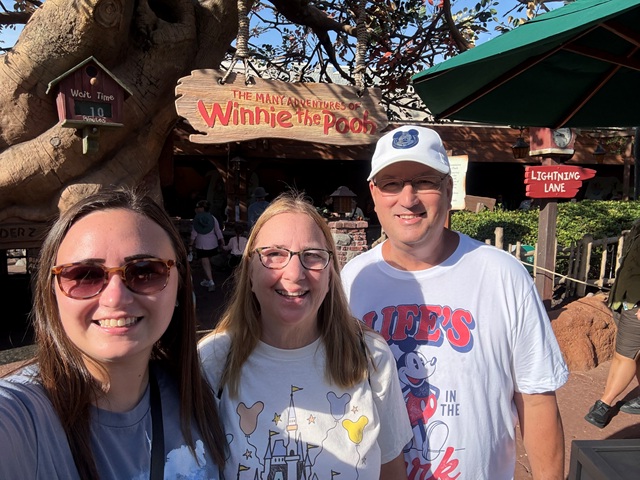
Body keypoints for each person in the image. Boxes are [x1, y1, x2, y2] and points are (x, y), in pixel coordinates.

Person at [341, 126, 569, 480]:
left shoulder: (502, 274)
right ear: (374, 193)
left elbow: (536, 399)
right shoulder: (351, 281)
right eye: (391, 184)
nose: (408, 198)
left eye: (424, 182)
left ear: (449, 189)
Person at [0, 188, 226, 479]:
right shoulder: (22, 417)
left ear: (180, 285)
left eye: (145, 271)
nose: (115, 297)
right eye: (84, 275)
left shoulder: (199, 398)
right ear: (52, 292)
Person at [198, 192, 412, 480]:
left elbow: (392, 470)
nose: (294, 273)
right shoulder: (213, 360)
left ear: (330, 275)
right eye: (274, 254)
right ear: (249, 272)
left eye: (312, 255)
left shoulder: (370, 356)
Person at [585, 220, 640, 428]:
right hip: (625, 297)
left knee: (626, 356)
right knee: (633, 353)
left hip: (636, 303)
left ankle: (605, 404)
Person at [189, 199, 224, 292]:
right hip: (213, 243)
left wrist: (190, 244)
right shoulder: (213, 218)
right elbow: (218, 230)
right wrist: (222, 241)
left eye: (198, 207)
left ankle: (211, 281)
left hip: (201, 244)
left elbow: (194, 233)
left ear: (202, 208)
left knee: (205, 262)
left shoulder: (197, 219)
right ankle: (207, 279)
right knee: (207, 262)